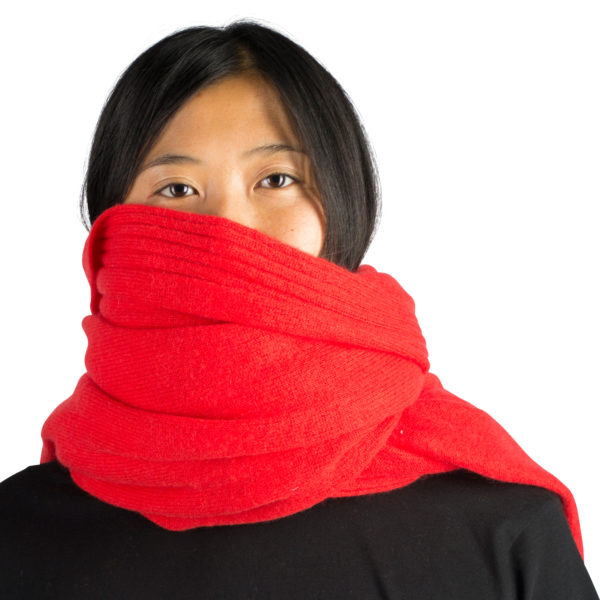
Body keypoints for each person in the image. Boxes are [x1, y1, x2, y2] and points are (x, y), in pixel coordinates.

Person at [0, 19, 598, 599]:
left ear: (342, 199)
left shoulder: (501, 524)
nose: (230, 229)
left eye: (277, 179)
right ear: (112, 228)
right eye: (176, 189)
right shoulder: (18, 533)